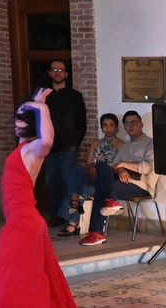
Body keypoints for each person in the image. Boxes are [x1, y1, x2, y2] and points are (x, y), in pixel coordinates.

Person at [0, 89, 82, 308]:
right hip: (21, 221)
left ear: (33, 123)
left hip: (24, 222)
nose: (17, 122)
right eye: (17, 118)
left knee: (15, 278)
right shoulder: (23, 146)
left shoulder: (34, 149)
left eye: (23, 119)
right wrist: (35, 103)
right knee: (17, 278)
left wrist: (42, 107)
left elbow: (48, 140)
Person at [79, 110, 156, 247]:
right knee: (102, 166)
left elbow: (148, 167)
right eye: (127, 123)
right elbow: (113, 166)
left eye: (134, 122)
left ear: (141, 124)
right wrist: (120, 169)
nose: (130, 126)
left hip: (141, 186)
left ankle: (97, 232)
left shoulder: (151, 143)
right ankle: (111, 200)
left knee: (101, 187)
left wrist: (122, 164)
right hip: (121, 182)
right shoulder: (125, 146)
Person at [55, 112, 124, 237]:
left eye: (111, 125)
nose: (108, 128)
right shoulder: (96, 143)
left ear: (116, 128)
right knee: (76, 170)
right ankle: (75, 202)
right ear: (101, 127)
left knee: (76, 188)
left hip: (106, 178)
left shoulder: (121, 144)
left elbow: (118, 165)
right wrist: (91, 167)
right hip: (92, 174)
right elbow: (88, 163)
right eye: (105, 125)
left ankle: (73, 222)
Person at [42, 60, 86, 227]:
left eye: (61, 70)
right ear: (50, 73)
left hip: (68, 146)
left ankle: (68, 215)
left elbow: (81, 122)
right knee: (52, 181)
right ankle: (55, 215)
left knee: (68, 181)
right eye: (54, 69)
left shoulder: (75, 96)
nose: (57, 72)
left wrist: (75, 144)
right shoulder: (44, 96)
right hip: (49, 147)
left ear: (66, 74)